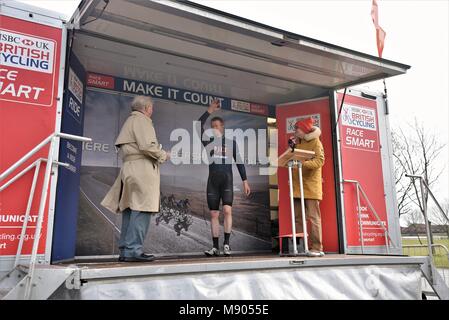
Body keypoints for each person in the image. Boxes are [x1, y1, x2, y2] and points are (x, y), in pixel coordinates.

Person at [101, 95, 170, 262]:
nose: (152, 111)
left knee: (131, 209)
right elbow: (147, 146)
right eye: (151, 108)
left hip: (130, 168)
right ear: (146, 108)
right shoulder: (142, 120)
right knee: (143, 209)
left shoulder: (130, 121)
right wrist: (163, 154)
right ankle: (133, 250)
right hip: (141, 169)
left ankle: (126, 250)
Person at [198, 99, 251, 257]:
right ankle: (215, 247)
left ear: (222, 128)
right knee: (214, 214)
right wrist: (209, 110)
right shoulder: (207, 142)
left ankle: (226, 244)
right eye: (212, 127)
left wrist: (245, 181)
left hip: (227, 180)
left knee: (227, 210)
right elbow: (197, 125)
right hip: (213, 181)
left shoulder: (231, 143)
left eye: (217, 126)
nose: (214, 129)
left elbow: (239, 162)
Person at [291, 117, 325, 257]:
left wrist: (303, 164)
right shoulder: (298, 142)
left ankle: (317, 248)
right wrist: (292, 148)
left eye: (296, 128)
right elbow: (293, 158)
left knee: (313, 217)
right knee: (298, 218)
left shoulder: (316, 142)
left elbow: (320, 160)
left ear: (303, 129)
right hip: (297, 185)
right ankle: (301, 247)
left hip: (311, 186)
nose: (294, 131)